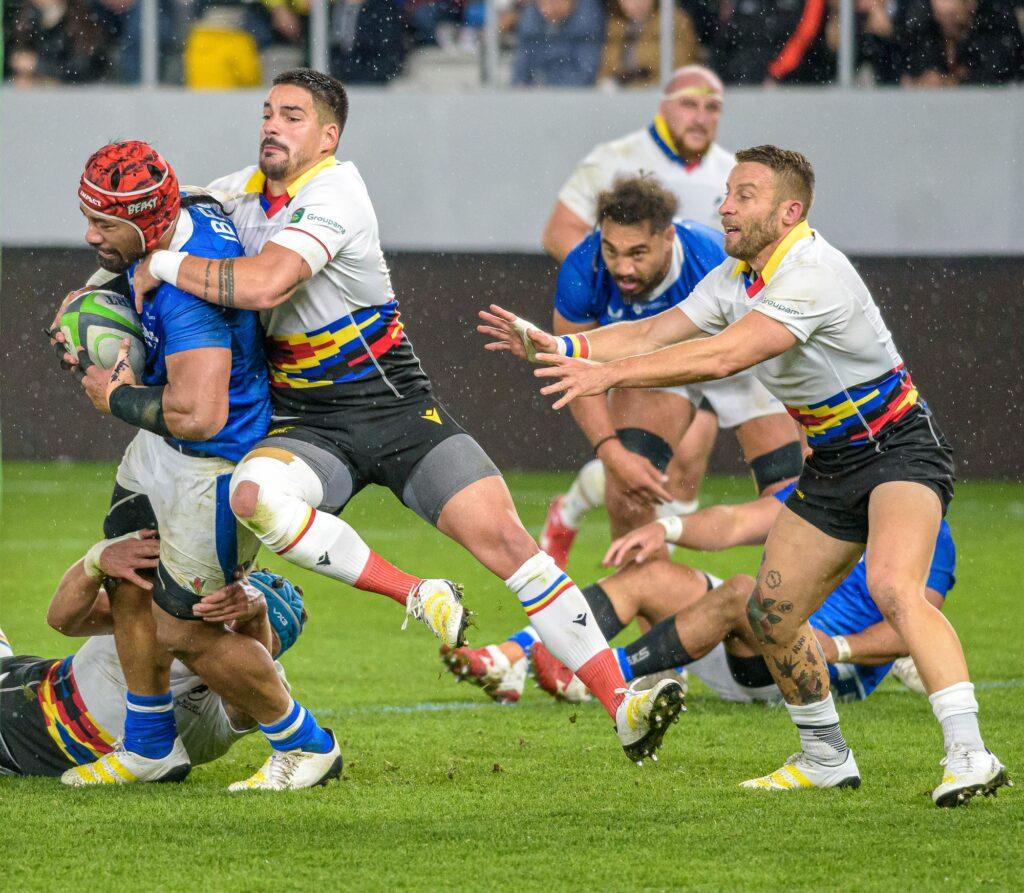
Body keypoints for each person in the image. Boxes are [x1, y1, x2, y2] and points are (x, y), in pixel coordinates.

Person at [130, 69, 683, 763]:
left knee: (512, 545)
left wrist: (165, 262)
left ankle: (622, 703)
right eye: (268, 112)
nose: (273, 124)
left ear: (327, 136)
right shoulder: (232, 193)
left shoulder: (338, 192)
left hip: (394, 407)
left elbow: (267, 281)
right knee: (254, 493)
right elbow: (150, 222)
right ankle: (418, 592)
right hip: (309, 421)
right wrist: (96, 288)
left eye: (293, 116)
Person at [478, 145, 1009, 806]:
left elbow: (726, 353)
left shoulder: (813, 270)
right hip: (836, 461)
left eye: (745, 194)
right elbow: (653, 332)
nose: (725, 205)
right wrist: (563, 346)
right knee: (772, 612)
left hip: (898, 447)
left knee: (895, 585)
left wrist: (609, 374)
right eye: (727, 192)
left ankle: (971, 754)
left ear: (790, 211)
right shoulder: (735, 276)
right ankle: (824, 756)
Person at [52, 140, 340, 791]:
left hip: (210, 465)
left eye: (104, 223)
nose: (90, 233)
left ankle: (306, 741)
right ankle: (150, 745)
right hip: (163, 455)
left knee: (185, 628)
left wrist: (115, 395)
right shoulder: (187, 211)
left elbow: (201, 411)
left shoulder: (190, 301)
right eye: (89, 216)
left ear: (146, 221)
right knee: (129, 566)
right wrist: (88, 299)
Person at [538, 66, 802, 564]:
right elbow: (561, 236)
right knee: (633, 483)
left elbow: (770, 320)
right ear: (663, 105)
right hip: (657, 348)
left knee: (795, 501)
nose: (701, 115)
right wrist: (620, 279)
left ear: (668, 236)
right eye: (690, 103)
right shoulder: (611, 167)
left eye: (713, 106)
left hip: (738, 349)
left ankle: (805, 624)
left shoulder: (732, 181)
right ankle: (655, 609)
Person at [444, 481, 955, 711]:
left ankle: (603, 673)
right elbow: (735, 520)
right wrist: (666, 529)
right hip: (758, 639)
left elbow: (915, 628)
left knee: (741, 592)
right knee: (649, 576)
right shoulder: (824, 490)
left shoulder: (931, 531)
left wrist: (838, 648)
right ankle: (511, 656)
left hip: (822, 670)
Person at [0, 532, 309, 779]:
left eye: (241, 621)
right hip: (26, 696)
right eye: (229, 609)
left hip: (31, 740)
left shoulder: (266, 697)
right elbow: (62, 618)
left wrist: (256, 618)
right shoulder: (170, 617)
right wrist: (96, 560)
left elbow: (251, 691)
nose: (230, 626)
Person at [511, 0, 606, 88]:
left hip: (573, 98)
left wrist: (546, 87)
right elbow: (519, 74)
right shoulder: (530, 20)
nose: (553, 5)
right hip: (536, 97)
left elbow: (585, 76)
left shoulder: (588, 19)